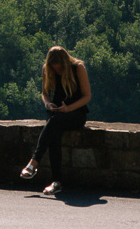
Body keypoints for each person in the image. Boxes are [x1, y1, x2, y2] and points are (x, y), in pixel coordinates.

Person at [19, 45, 91, 194]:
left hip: (75, 113)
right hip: (56, 112)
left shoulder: (78, 67)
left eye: (59, 67)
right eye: (54, 67)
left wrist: (68, 109)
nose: (57, 70)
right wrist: (48, 104)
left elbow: (87, 96)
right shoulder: (46, 69)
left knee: (53, 123)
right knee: (54, 134)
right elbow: (45, 93)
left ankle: (33, 163)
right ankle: (56, 182)